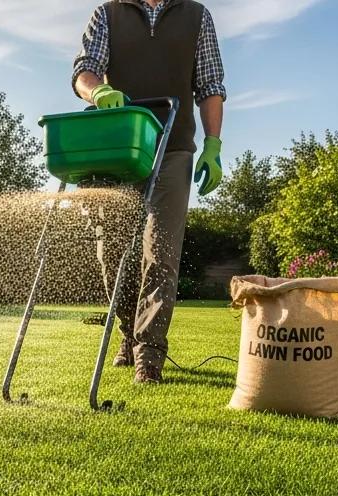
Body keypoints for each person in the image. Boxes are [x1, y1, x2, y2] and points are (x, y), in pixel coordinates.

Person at [73, 0, 226, 384]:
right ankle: (128, 332)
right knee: (111, 252)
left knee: (161, 252)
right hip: (120, 148)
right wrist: (98, 90)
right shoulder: (108, 13)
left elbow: (210, 85)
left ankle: (150, 353)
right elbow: (84, 70)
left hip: (173, 148)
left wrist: (213, 144)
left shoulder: (196, 16)